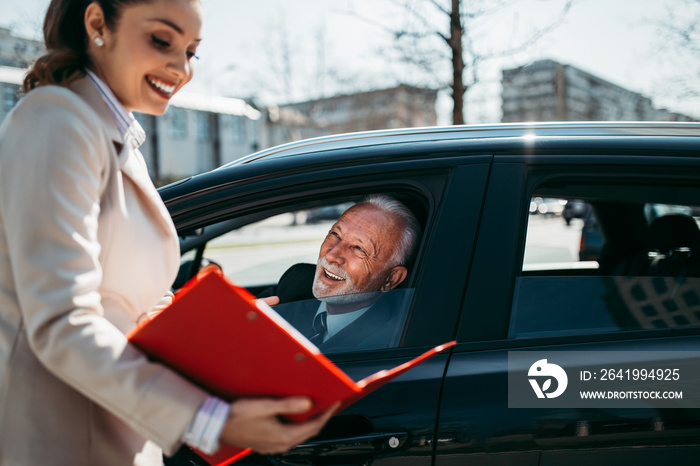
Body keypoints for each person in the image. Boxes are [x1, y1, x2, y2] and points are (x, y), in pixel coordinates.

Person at [0, 1, 334, 465]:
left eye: (192, 52)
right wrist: (212, 419)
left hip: (116, 436)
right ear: (97, 24)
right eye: (162, 40)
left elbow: (126, 305)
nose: (181, 68)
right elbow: (62, 323)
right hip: (63, 441)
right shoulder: (57, 121)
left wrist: (222, 329)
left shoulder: (115, 135)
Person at [274, 195, 421, 352]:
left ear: (391, 279)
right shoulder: (296, 283)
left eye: (358, 248)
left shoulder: (390, 343)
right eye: (336, 235)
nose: (331, 255)